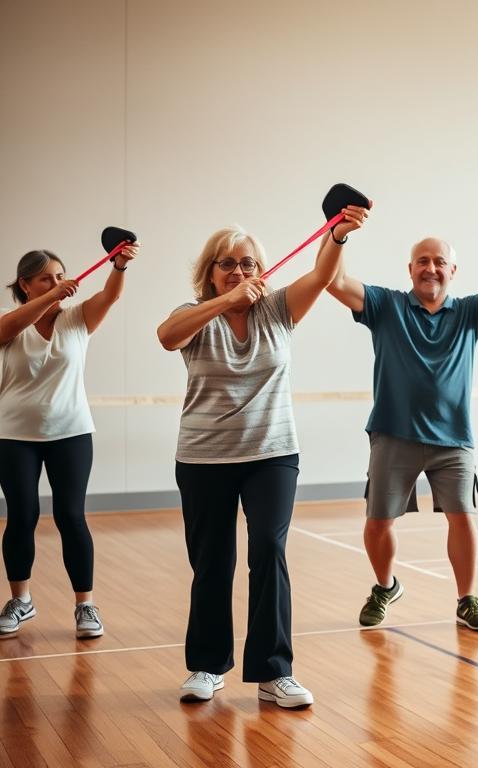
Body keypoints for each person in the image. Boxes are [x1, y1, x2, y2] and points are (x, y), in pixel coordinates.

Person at [156, 208, 365, 707]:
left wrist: (336, 235)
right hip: (205, 457)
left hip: (272, 454)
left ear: (262, 271)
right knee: (213, 561)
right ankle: (206, 666)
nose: (239, 271)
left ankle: (275, 673)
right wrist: (225, 300)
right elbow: (166, 337)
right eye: (226, 264)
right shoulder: (194, 314)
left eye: (248, 264)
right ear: (209, 273)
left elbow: (321, 274)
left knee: (268, 550)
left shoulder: (277, 310)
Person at [324, 224, 478, 630]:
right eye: (422, 261)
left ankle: (466, 600)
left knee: (463, 518)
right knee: (378, 523)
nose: (430, 268)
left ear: (453, 270)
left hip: (453, 440)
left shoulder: (470, 311)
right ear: (410, 268)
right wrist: (338, 236)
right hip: (393, 434)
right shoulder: (386, 306)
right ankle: (385, 586)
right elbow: (335, 281)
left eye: (438, 262)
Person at [0, 243, 138, 639]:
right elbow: (6, 329)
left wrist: (119, 266)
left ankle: (85, 606)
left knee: (71, 517)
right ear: (25, 285)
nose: (58, 283)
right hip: (13, 436)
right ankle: (21, 600)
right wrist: (47, 300)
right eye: (46, 278)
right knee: (22, 516)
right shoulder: (11, 322)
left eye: (61, 276)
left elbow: (110, 295)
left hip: (71, 434)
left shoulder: (78, 319)